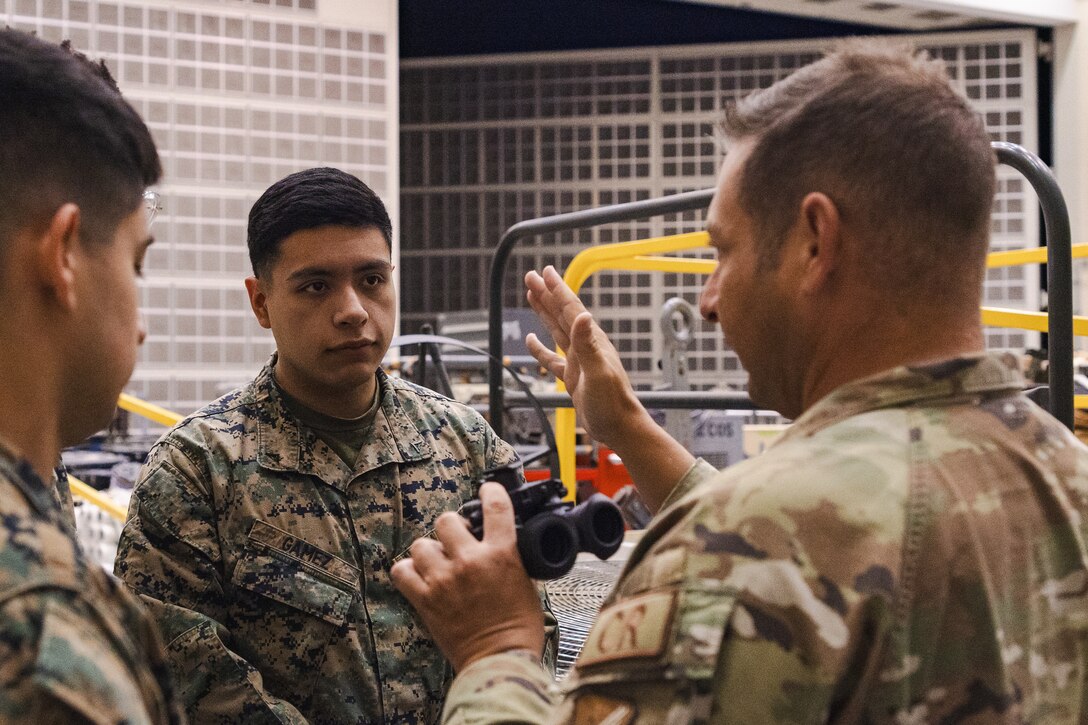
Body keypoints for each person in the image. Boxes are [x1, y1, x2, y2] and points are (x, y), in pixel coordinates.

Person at [391, 40, 1088, 723]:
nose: (708, 298)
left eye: (724, 249)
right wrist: (628, 426)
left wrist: (495, 648)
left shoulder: (742, 546)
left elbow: (779, 538)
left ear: (816, 241)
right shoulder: (1066, 479)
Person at [115, 167, 549, 723]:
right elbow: (186, 677)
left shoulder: (469, 449)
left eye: (372, 280)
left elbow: (531, 631)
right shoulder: (197, 471)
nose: (353, 311)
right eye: (316, 286)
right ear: (261, 302)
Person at [0, 29, 185, 724]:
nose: (141, 321)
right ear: (65, 253)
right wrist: (492, 652)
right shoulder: (42, 633)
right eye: (136, 263)